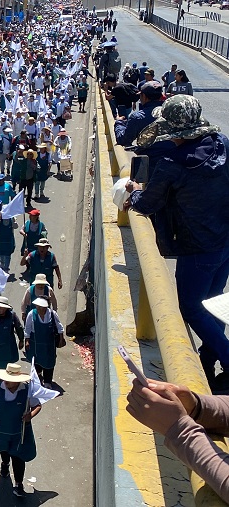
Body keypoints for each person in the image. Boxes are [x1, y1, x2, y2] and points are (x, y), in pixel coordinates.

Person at [128, 94, 229, 387]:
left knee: (190, 307)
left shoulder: (173, 163)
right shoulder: (222, 142)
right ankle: (209, 360)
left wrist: (133, 190)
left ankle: (224, 356)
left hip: (195, 248)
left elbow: (146, 204)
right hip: (224, 242)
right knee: (213, 303)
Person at [0, 363, 43, 498]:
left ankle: (19, 483)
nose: (6, 382)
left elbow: (37, 405)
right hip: (1, 429)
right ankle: (5, 463)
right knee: (4, 450)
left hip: (19, 432)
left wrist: (30, 415)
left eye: (10, 380)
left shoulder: (27, 390)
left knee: (18, 457)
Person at [24, 297, 66, 387]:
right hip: (36, 343)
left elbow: (59, 327)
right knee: (36, 362)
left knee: (49, 362)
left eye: (41, 307)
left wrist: (61, 339)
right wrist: (27, 340)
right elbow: (27, 328)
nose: (38, 309)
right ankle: (38, 378)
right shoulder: (31, 314)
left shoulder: (52, 314)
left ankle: (47, 381)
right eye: (37, 307)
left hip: (49, 344)